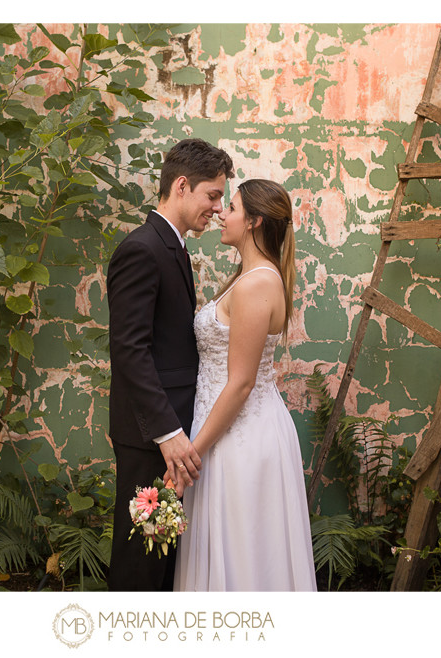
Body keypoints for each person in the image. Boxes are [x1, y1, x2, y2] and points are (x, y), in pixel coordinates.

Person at [172, 178, 317, 591]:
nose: (221, 213)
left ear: (253, 222)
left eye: (230, 207)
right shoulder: (248, 277)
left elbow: (241, 384)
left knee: (244, 554)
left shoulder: (257, 284)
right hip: (220, 430)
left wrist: (189, 457)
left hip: (240, 438)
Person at [106, 138, 234, 591]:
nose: (218, 209)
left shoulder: (174, 247)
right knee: (140, 562)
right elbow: (130, 350)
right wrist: (168, 433)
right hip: (151, 437)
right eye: (213, 195)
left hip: (174, 432)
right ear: (182, 185)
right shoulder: (142, 249)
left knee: (162, 565)